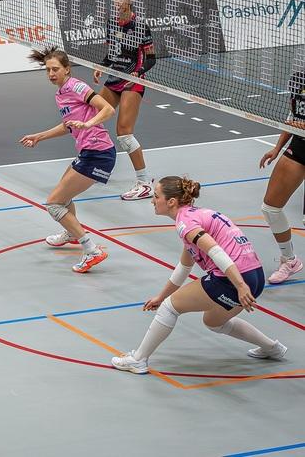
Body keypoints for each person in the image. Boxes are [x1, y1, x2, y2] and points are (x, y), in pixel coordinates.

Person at [111, 176, 286, 374]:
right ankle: (272, 348)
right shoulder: (195, 216)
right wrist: (161, 296)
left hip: (232, 278)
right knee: (213, 321)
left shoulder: (185, 223)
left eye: (156, 196)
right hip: (255, 275)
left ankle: (138, 359)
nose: (152, 200)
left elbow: (215, 251)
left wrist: (239, 285)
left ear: (171, 202)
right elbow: (184, 267)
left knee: (170, 308)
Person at [20, 46, 116, 273]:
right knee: (63, 197)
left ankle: (92, 250)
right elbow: (68, 125)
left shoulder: (76, 86)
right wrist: (39, 136)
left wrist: (88, 124)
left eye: (55, 69)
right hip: (87, 152)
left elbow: (108, 109)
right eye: (48, 70)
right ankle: (72, 233)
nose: (51, 74)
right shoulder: (61, 93)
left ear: (67, 70)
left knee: (54, 203)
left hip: (98, 153)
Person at [93, 0, 155, 202]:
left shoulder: (140, 26)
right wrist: (101, 66)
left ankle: (145, 183)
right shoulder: (111, 23)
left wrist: (137, 72)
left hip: (132, 82)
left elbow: (151, 58)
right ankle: (98, 163)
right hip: (114, 78)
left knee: (124, 134)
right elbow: (111, 54)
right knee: (93, 118)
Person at [258, 71, 305, 284]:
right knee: (270, 208)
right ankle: (289, 260)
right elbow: (293, 116)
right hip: (300, 147)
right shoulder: (299, 79)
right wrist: (277, 148)